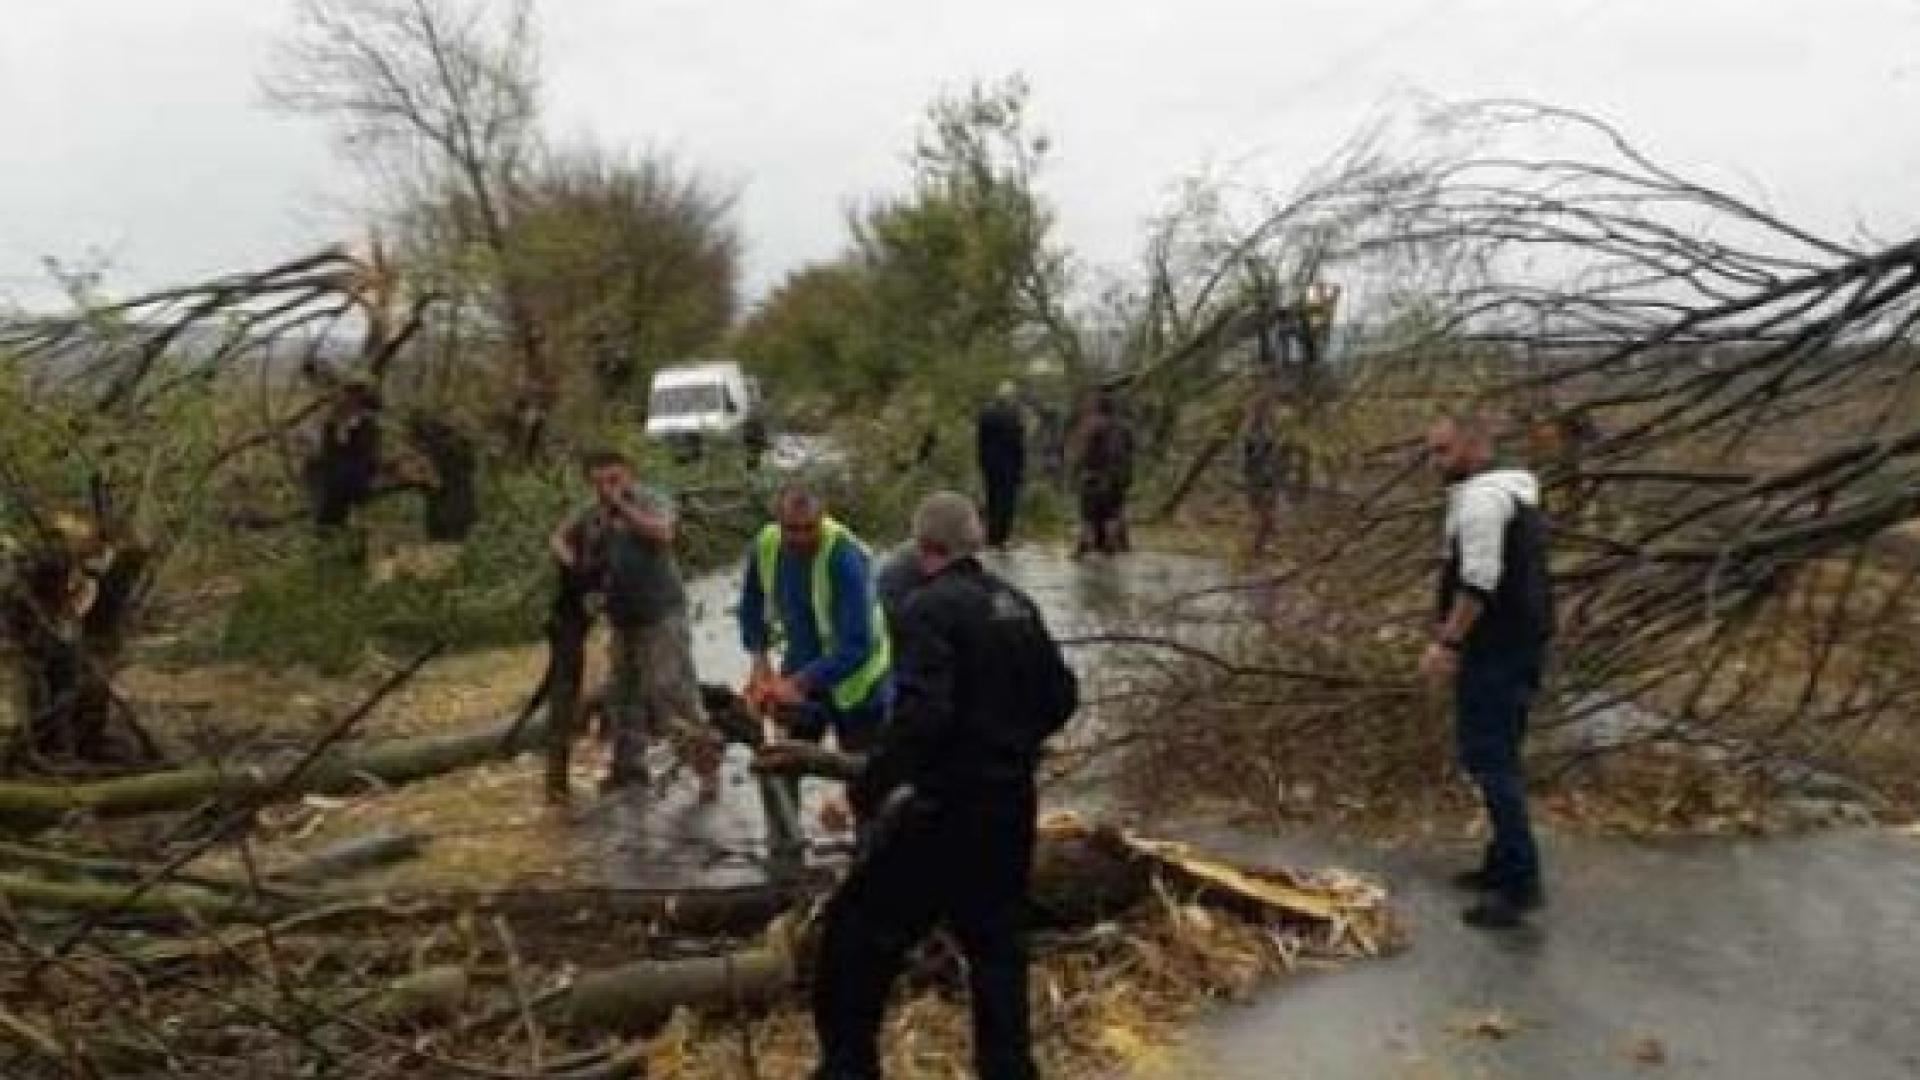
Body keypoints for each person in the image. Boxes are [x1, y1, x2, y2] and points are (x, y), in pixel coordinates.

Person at [757, 492, 1078, 1080]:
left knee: (853, 936)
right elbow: (1062, 697)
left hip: (945, 810)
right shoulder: (1017, 604)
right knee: (997, 953)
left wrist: (865, 791)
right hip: (1010, 809)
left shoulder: (926, 609)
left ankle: (848, 1068)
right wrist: (1010, 743)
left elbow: (921, 721)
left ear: (925, 549)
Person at [1419, 414, 1554, 929]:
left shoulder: (1481, 499)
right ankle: (1501, 864)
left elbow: (1479, 581)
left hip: (1497, 649)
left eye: (1444, 452)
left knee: (1490, 760)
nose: (1436, 463)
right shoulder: (1509, 496)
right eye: (1432, 452)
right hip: (1516, 644)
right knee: (1498, 756)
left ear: (1478, 449)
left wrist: (1447, 643)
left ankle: (1520, 884)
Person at [547, 450, 716, 799]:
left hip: (661, 613)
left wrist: (622, 508)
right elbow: (559, 537)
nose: (607, 489)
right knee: (623, 695)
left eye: (614, 480)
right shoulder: (591, 514)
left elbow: (663, 533)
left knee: (671, 691)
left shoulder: (650, 501)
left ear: (629, 475)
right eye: (599, 483)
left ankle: (705, 768)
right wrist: (574, 564)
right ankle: (628, 770)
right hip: (621, 617)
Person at [1071, 391, 1134, 557]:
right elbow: (1130, 452)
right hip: (1118, 475)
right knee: (1112, 511)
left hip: (1093, 475)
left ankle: (1083, 543)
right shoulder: (1124, 427)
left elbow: (1082, 453)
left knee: (1087, 512)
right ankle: (1110, 543)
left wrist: (1077, 471)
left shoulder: (1091, 426)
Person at [975, 382, 1027, 550]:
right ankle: (1002, 537)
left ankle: (991, 535)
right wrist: (1021, 467)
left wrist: (981, 461)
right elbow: (1018, 445)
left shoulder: (986, 414)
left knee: (992, 498)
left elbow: (980, 441)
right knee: (1007, 501)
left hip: (990, 464)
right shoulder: (1014, 417)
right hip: (1009, 465)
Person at [1240, 391, 1283, 558]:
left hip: (1268, 478)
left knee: (1268, 518)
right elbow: (1251, 458)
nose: (1267, 412)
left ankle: (1258, 549)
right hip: (1258, 479)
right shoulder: (1252, 432)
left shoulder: (1267, 430)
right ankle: (1256, 550)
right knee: (1265, 518)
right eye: (1263, 408)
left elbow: (1271, 457)